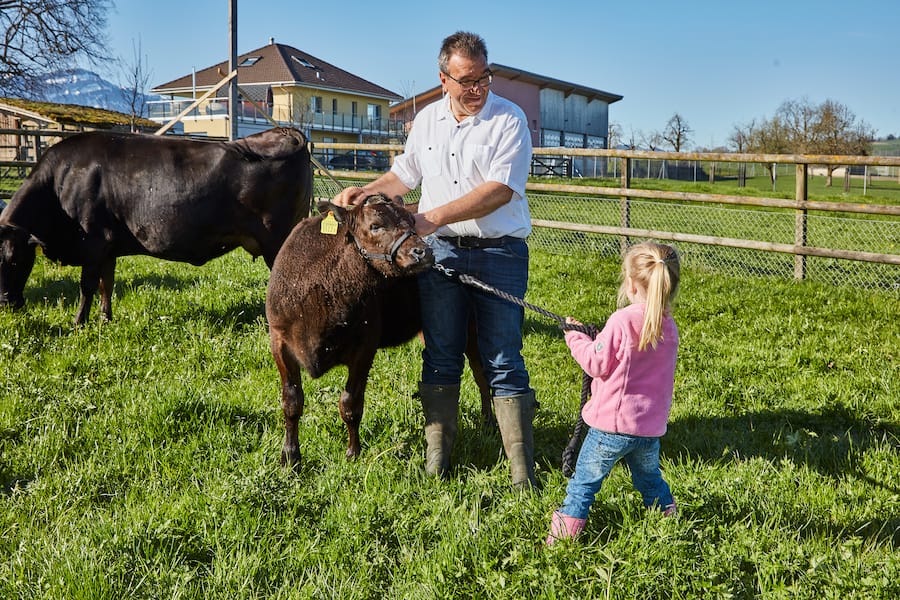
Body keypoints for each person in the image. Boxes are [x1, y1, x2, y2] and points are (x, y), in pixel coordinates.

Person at [332, 31, 536, 488]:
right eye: (467, 80)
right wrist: (366, 192)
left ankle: (522, 475)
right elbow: (404, 175)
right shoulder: (427, 121)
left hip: (499, 251)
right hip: (442, 255)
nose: (477, 88)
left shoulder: (508, 119)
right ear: (443, 79)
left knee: (503, 356)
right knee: (441, 353)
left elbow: (500, 190)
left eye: (484, 77)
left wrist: (430, 218)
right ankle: (437, 463)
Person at [546, 242, 681, 545]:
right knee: (650, 480)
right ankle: (669, 525)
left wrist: (575, 337)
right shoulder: (669, 326)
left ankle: (562, 540)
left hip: (610, 428)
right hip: (648, 429)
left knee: (583, 484)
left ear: (631, 284)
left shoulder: (622, 320)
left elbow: (596, 362)